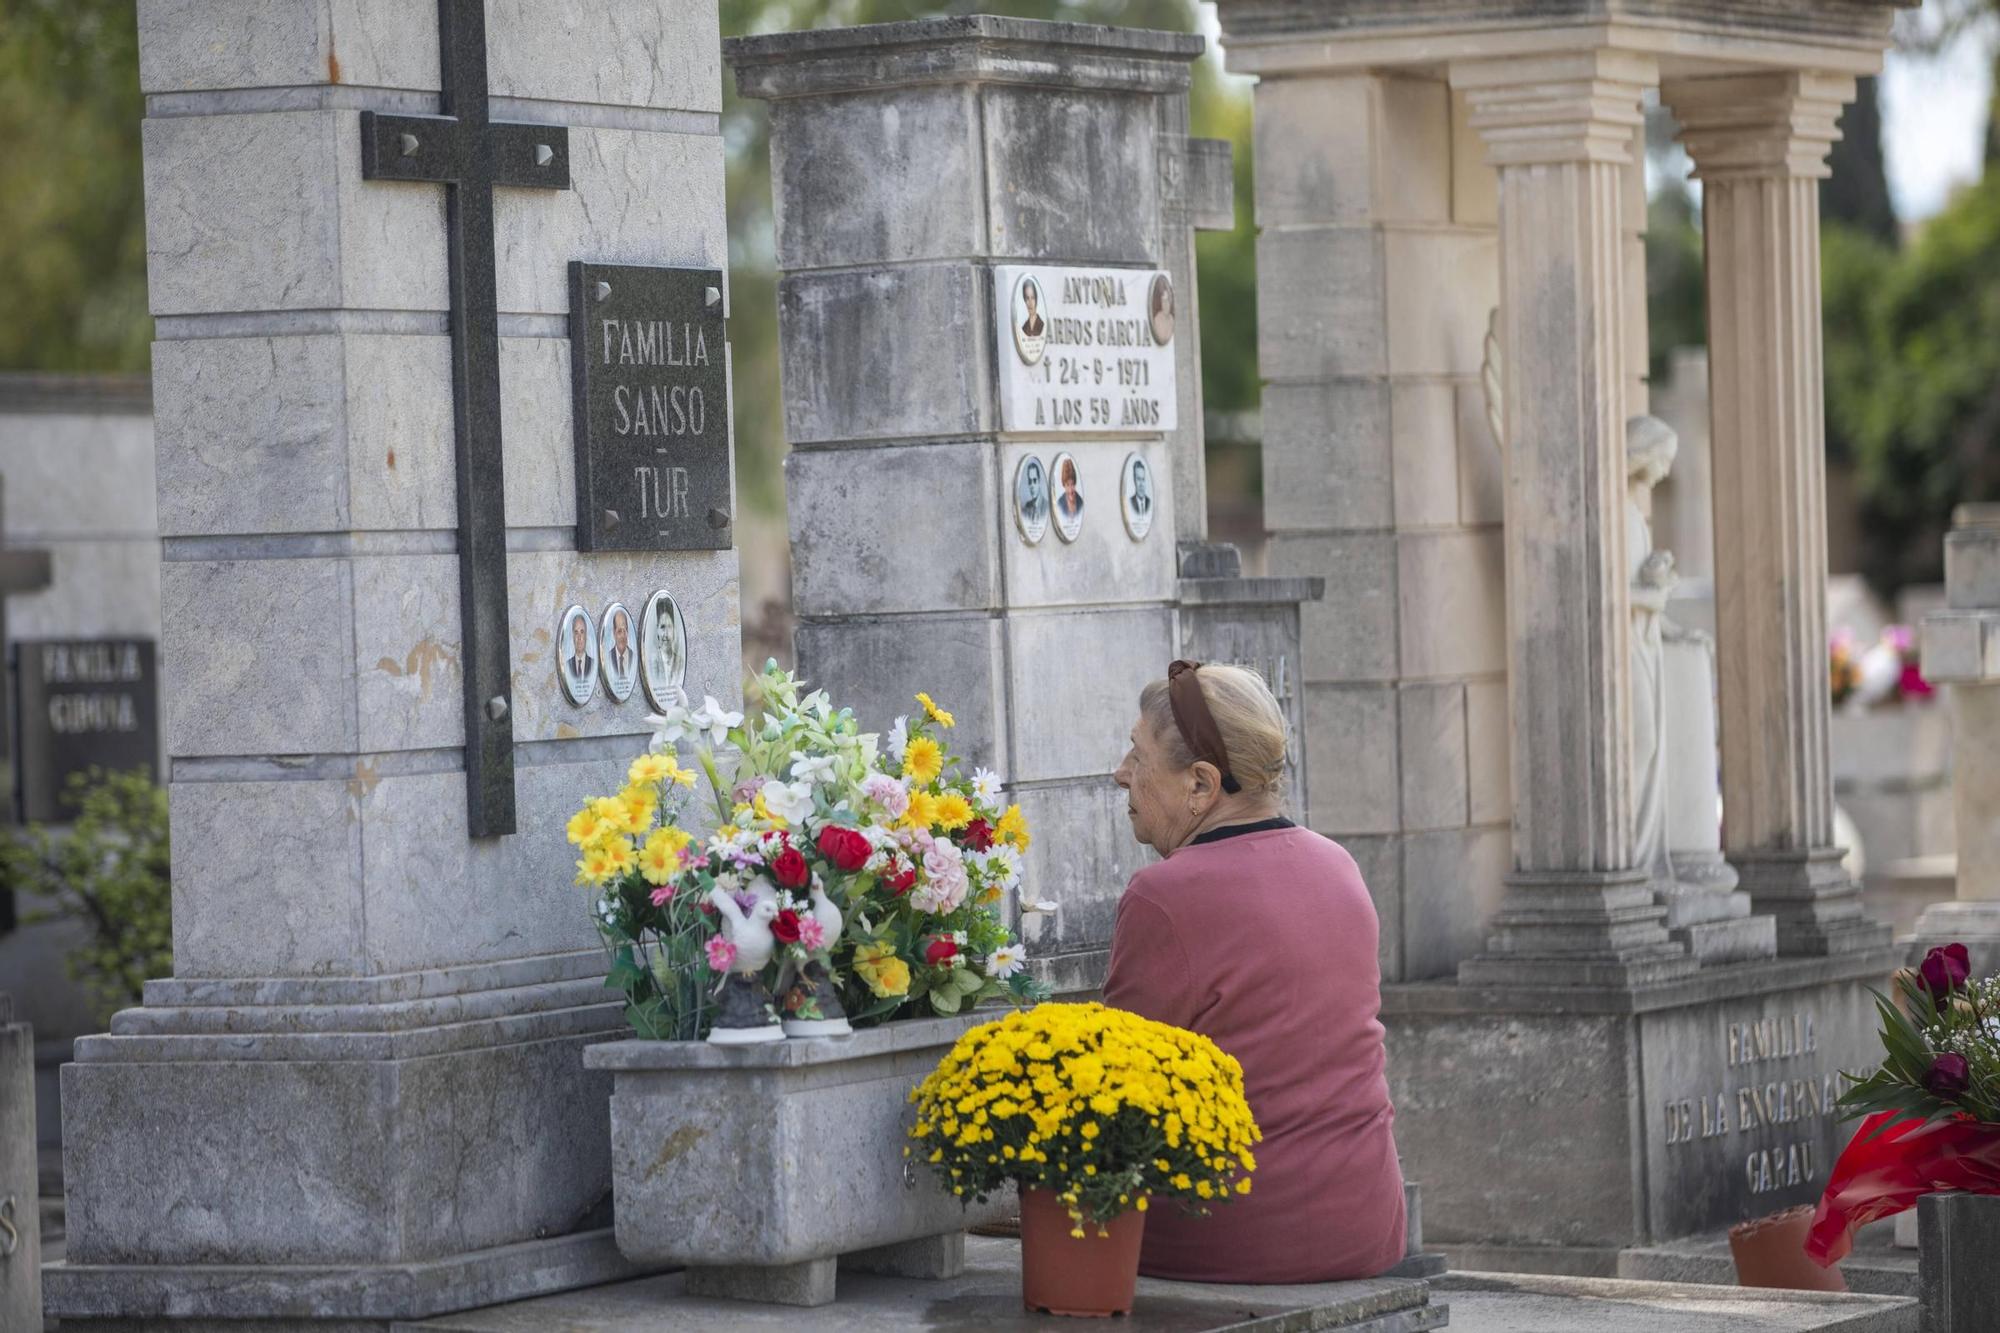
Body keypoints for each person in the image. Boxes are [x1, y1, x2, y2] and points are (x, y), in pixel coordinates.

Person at [1105, 662, 1406, 1284]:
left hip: (1228, 1237)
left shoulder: (1164, 895)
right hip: (1367, 1225)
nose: (1121, 774)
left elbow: (1113, 1097)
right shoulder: (1338, 867)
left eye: (1138, 756)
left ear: (1201, 784)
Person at [566, 612, 593, 686]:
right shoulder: (567, 665)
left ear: (586, 635)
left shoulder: (592, 664)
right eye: (576, 632)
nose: (579, 637)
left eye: (582, 632)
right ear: (573, 636)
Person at [1055, 457, 1082, 524]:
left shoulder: (1081, 503)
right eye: (1067, 485)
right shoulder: (1060, 504)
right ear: (1064, 485)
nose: (1070, 490)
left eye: (1072, 484)